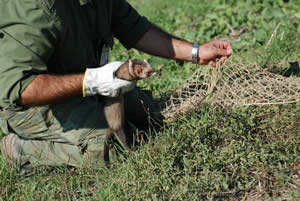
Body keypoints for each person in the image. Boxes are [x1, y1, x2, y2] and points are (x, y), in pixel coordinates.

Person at [0, 0, 232, 174]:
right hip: (29, 105)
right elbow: (19, 88)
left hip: (85, 84)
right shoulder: (33, 7)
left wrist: (196, 52)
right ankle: (19, 151)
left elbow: (133, 27)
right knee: (113, 149)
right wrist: (93, 81)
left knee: (149, 115)